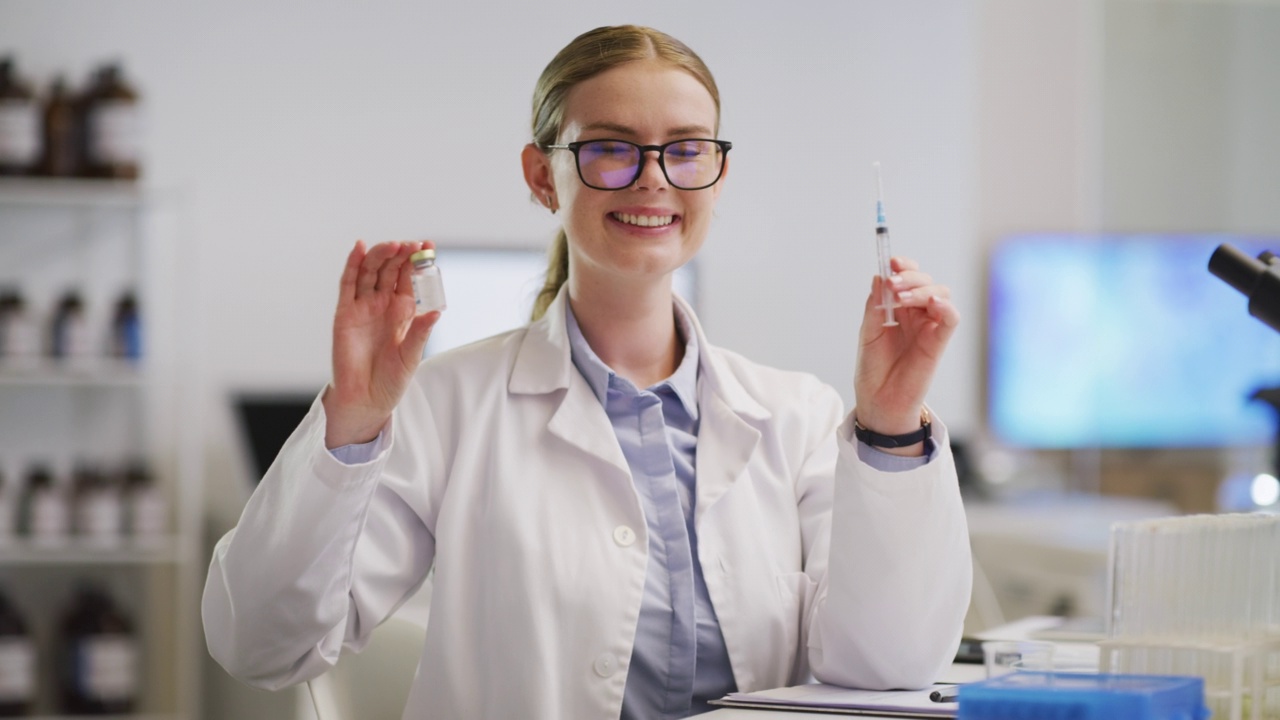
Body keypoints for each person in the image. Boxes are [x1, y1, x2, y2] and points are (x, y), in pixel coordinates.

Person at [203, 24, 971, 720]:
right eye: (610, 147)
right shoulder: (449, 404)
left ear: (717, 174)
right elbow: (264, 646)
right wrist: (352, 422)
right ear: (542, 177)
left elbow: (890, 669)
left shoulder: (798, 413)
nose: (653, 178)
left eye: (685, 148)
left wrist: (891, 424)